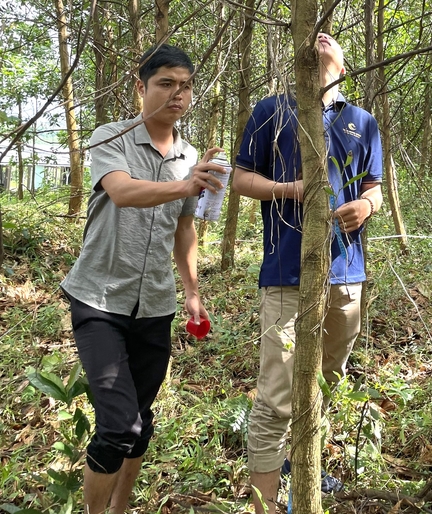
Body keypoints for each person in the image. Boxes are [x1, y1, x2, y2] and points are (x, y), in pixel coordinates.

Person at [60, 44, 226, 514]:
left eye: (186, 85)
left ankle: (119, 507)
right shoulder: (111, 137)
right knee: (118, 426)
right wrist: (185, 183)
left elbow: (184, 227)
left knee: (141, 423)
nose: (178, 94)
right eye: (166, 83)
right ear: (141, 87)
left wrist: (192, 291)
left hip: (155, 303)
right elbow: (123, 191)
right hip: (99, 298)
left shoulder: (190, 154)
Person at [232, 32, 383, 514]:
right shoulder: (270, 112)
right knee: (277, 394)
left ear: (342, 66)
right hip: (286, 274)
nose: (320, 40)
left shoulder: (362, 122)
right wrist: (289, 189)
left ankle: (307, 471)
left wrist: (365, 204)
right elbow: (239, 178)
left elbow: (375, 184)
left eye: (331, 41)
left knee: (328, 378)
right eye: (311, 38)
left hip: (346, 275)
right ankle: (265, 502)